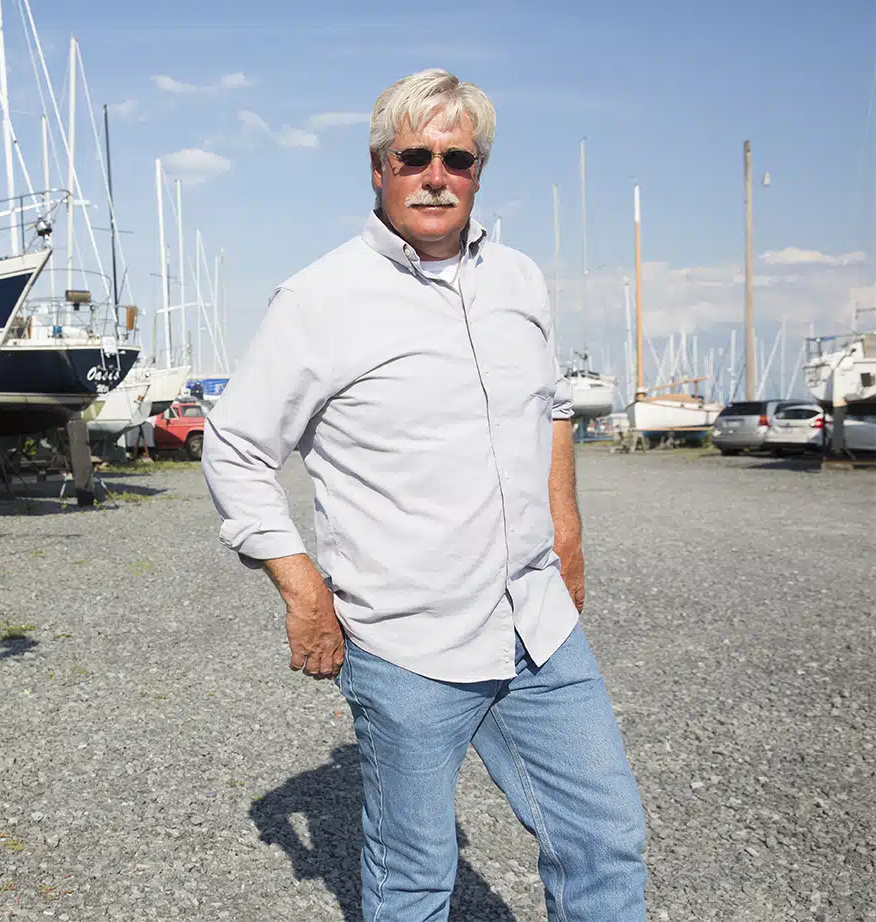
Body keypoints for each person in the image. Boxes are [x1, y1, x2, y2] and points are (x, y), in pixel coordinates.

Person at [201, 69, 648, 921]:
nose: (436, 175)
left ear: (479, 171)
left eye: (459, 158)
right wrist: (302, 589)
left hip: (538, 625)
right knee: (414, 875)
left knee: (605, 836)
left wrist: (568, 531)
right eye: (415, 157)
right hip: (407, 642)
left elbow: (551, 406)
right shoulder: (319, 300)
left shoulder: (519, 280)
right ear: (378, 167)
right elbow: (234, 447)